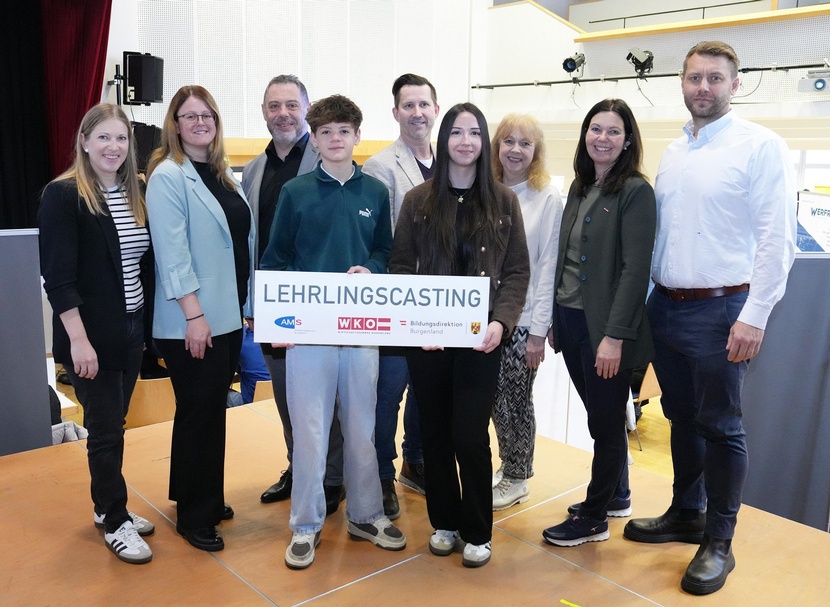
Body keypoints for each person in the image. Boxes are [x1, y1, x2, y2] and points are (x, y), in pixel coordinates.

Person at [623, 41, 797, 596]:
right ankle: (686, 513)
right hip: (667, 308)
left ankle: (719, 541)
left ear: (735, 84)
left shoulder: (760, 147)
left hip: (724, 310)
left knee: (722, 427)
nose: (703, 87)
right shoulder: (675, 151)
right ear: (681, 82)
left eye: (715, 78)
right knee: (681, 418)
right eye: (694, 77)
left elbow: (777, 240)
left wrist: (755, 315)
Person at [260, 94, 405, 570]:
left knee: (362, 430)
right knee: (310, 432)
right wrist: (276, 321)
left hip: (362, 331)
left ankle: (366, 514)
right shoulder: (297, 192)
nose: (335, 139)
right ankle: (305, 524)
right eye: (325, 132)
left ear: (357, 136)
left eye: (344, 131)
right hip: (308, 336)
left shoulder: (375, 193)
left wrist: (374, 272)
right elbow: (275, 259)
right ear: (315, 139)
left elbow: (385, 252)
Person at [389, 102, 530, 568]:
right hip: (428, 343)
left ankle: (477, 530)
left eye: (474, 133)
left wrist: (501, 323)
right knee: (435, 433)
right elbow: (402, 268)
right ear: (444, 138)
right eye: (456, 133)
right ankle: (444, 522)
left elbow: (516, 272)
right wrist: (417, 326)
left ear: (481, 141)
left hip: (482, 340)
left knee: (469, 435)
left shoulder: (505, 202)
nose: (465, 141)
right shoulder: (418, 201)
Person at [38, 103, 154, 564]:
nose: (113, 147)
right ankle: (116, 518)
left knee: (115, 425)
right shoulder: (64, 194)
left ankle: (108, 509)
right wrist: (79, 341)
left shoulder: (134, 191)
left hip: (130, 328)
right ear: (84, 142)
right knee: (105, 431)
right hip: (89, 334)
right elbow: (59, 278)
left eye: (121, 139)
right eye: (103, 137)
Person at [541, 99, 656, 548]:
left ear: (627, 140)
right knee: (599, 415)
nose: (602, 138)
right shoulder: (580, 185)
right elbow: (562, 259)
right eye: (595, 129)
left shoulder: (636, 192)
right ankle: (618, 495)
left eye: (612, 131)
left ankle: (593, 516)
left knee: (606, 424)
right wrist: (553, 316)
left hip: (605, 330)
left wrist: (614, 336)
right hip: (569, 322)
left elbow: (635, 270)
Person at [146, 85, 255, 552]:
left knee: (209, 411)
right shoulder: (168, 176)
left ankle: (200, 495)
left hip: (226, 318)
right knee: (199, 413)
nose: (199, 122)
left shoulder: (221, 175)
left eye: (206, 114)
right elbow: (173, 255)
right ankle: (195, 515)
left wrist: (244, 309)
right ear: (174, 125)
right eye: (189, 116)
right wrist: (194, 315)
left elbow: (237, 246)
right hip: (192, 320)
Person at [241, 75, 345, 513]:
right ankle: (300, 469)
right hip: (270, 304)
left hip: (319, 305)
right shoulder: (252, 170)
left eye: (291, 105)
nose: (282, 113)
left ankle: (334, 478)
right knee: (285, 396)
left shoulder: (329, 161)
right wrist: (251, 302)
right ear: (264, 112)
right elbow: (249, 241)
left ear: (307, 108)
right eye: (273, 106)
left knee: (327, 399)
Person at [362, 73, 439, 517]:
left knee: (426, 390)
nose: (416, 113)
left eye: (423, 104)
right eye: (407, 105)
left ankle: (417, 460)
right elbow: (383, 238)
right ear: (395, 113)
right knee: (389, 392)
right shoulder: (380, 166)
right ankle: (380, 475)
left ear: (434, 109)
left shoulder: (450, 162)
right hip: (396, 299)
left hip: (436, 303)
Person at [489, 114, 563, 510]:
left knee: (515, 398)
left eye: (525, 143)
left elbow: (548, 263)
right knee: (493, 399)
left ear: (536, 152)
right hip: (484, 318)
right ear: (497, 146)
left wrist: (538, 330)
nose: (515, 150)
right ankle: (508, 465)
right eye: (509, 141)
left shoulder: (546, 197)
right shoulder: (486, 191)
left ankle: (518, 476)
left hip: (524, 320)